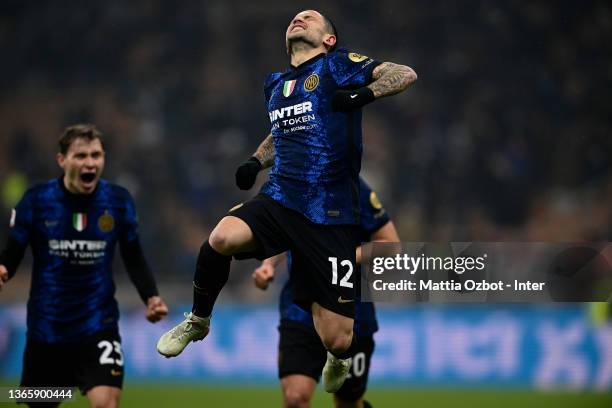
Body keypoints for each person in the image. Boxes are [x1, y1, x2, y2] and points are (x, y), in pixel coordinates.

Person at [156, 9, 416, 392]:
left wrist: (365, 93)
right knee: (221, 238)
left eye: (311, 17)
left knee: (337, 337)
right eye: (295, 17)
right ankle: (198, 319)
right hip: (280, 197)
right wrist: (255, 161)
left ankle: (338, 358)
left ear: (329, 39)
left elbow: (404, 74)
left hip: (330, 213)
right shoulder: (275, 84)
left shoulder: (338, 65)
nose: (300, 18)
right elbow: (282, 132)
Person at [0, 124, 168, 408]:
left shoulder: (118, 202)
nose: (90, 162)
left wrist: (151, 296)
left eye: (96, 155)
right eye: (80, 156)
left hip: (98, 324)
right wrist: (4, 269)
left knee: (106, 402)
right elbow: (13, 251)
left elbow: (133, 256)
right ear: (61, 160)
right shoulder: (37, 201)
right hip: (47, 328)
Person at [253, 177, 399, 408]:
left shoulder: (355, 190)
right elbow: (283, 234)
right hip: (300, 309)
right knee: (295, 399)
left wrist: (342, 260)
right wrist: (268, 265)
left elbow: (390, 244)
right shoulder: (292, 185)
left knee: (347, 402)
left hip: (351, 311)